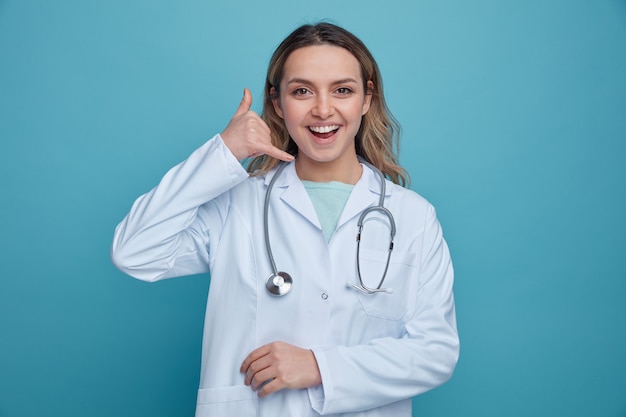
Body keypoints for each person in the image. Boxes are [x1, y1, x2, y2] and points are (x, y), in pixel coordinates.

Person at [111, 22, 459, 417]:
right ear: (278, 104)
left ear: (366, 99)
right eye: (301, 91)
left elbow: (436, 353)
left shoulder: (412, 216)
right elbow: (134, 252)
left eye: (342, 90)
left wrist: (319, 368)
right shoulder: (236, 204)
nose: (323, 109)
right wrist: (223, 151)